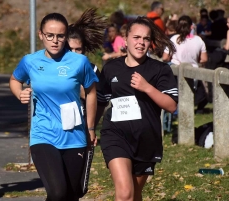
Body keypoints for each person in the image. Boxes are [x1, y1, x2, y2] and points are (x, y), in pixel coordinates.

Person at [9, 13, 98, 201]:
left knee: (71, 195)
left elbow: (91, 92)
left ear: (66, 36)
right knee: (57, 192)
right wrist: (19, 93)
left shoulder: (79, 62)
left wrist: (90, 127)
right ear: (41, 35)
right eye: (50, 35)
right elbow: (15, 80)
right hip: (43, 135)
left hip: (74, 135)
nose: (55, 41)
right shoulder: (30, 61)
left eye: (60, 36)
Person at [98, 16, 177, 200]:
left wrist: (147, 87)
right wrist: (90, 129)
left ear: (150, 42)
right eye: (136, 37)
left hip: (146, 139)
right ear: (125, 39)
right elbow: (101, 100)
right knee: (125, 193)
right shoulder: (111, 68)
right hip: (115, 135)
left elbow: (172, 105)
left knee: (135, 194)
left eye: (146, 39)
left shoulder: (160, 70)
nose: (141, 43)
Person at [68, 8, 108, 129]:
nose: (74, 54)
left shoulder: (91, 69)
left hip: (80, 131)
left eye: (78, 49)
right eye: (70, 49)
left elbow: (102, 100)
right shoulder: (52, 67)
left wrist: (91, 127)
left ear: (84, 50)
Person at [163, 15, 208, 114]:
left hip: (176, 72)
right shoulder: (199, 40)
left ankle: (177, 117)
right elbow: (204, 59)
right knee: (188, 97)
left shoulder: (174, 39)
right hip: (193, 73)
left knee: (177, 97)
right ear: (191, 26)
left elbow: (165, 57)